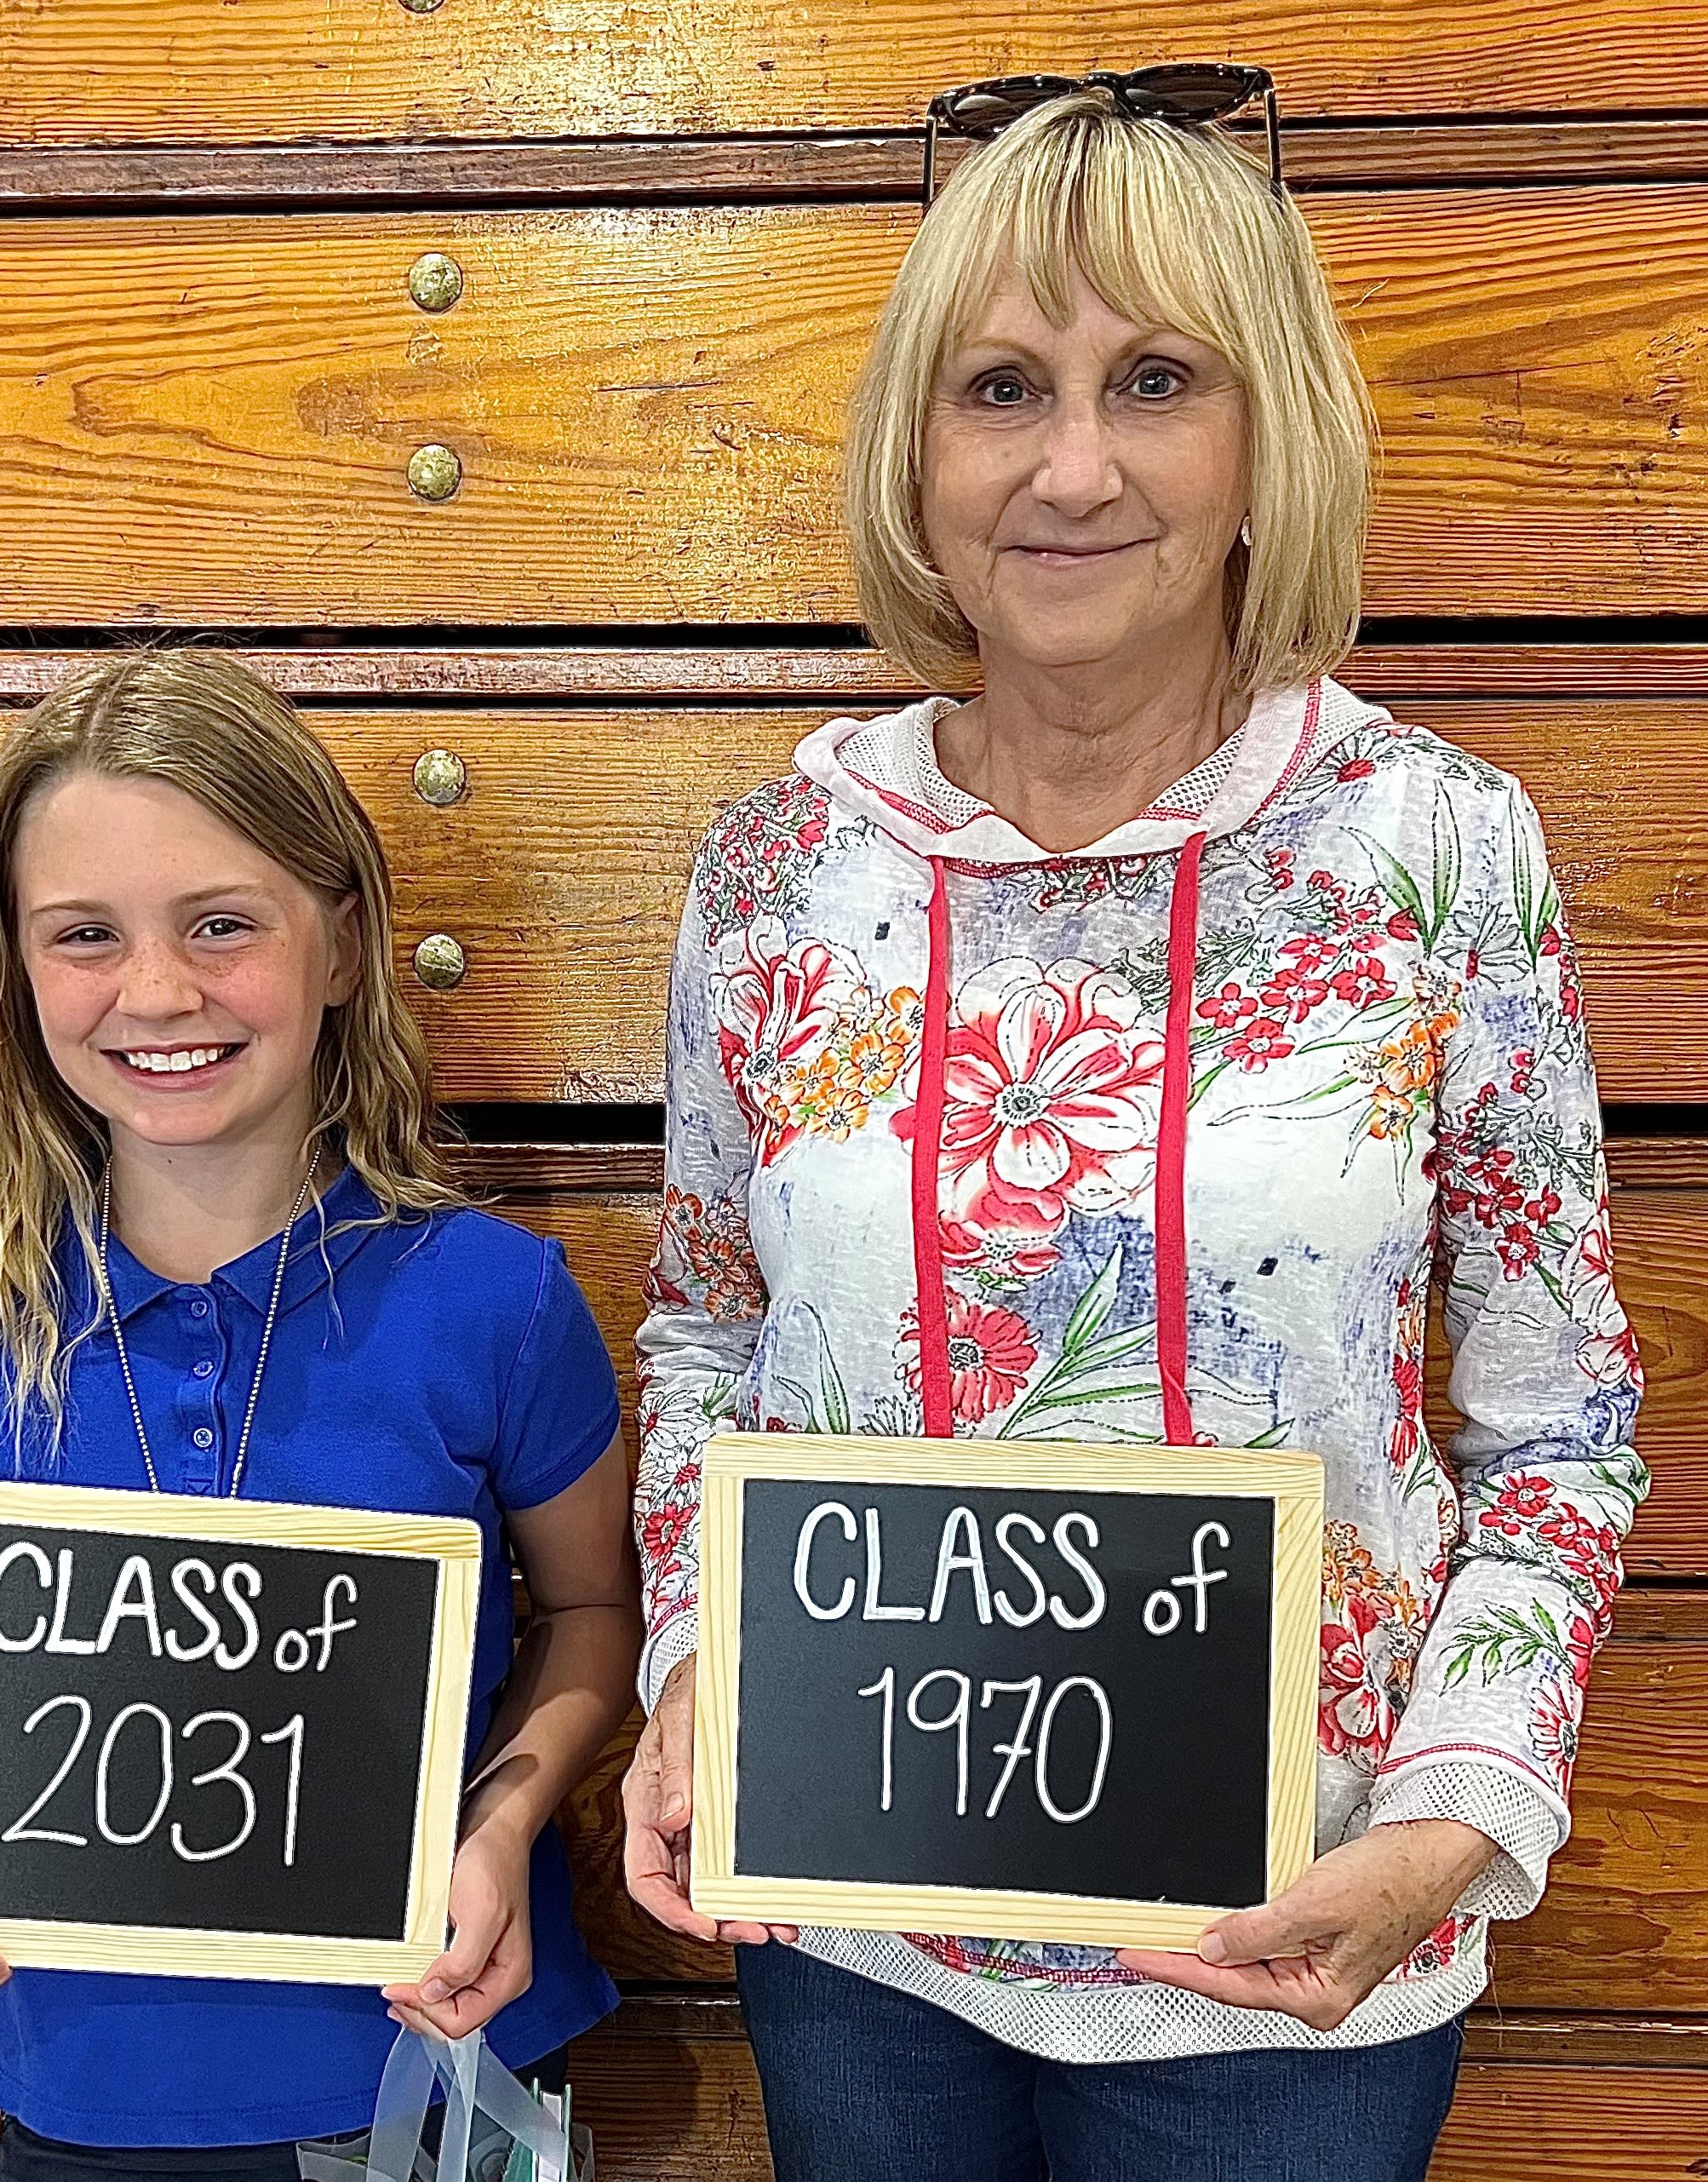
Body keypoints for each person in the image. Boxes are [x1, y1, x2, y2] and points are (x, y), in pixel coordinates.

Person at [622, 78, 1647, 2182]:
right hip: (861, 1934)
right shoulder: (778, 871)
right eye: (1005, 386)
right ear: (922, 449)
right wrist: (701, 1661)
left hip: (1297, 1945)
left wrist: (1454, 1821)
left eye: (1155, 381)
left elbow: (1559, 1432)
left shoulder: (1436, 851)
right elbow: (710, 1345)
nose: (1072, 465)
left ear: (1265, 441)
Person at [0, 652, 641, 2174]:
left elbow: (592, 1611)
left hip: (440, 2062)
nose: (158, 991)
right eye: (85, 936)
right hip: (84, 2086)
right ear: (14, 969)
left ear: (338, 945)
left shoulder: (492, 1300)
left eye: (220, 923)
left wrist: (502, 1823)